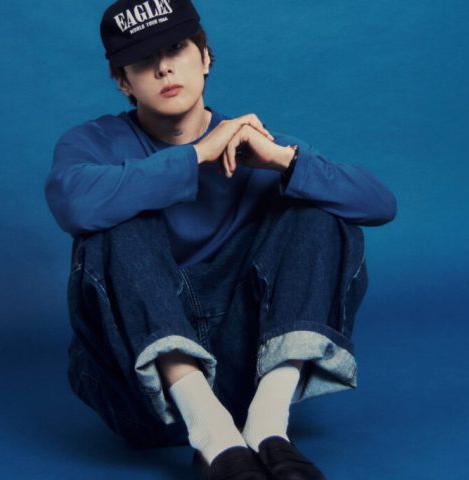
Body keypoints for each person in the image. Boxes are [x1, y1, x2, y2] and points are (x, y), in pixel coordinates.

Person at [44, 1, 397, 479]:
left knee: (318, 206)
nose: (164, 68)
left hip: (246, 382)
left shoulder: (253, 144)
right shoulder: (92, 143)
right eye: (143, 61)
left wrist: (285, 162)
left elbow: (379, 204)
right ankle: (211, 433)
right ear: (123, 82)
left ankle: (268, 429)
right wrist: (196, 156)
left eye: (176, 49)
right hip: (139, 392)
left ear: (206, 57)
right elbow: (73, 206)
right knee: (115, 218)